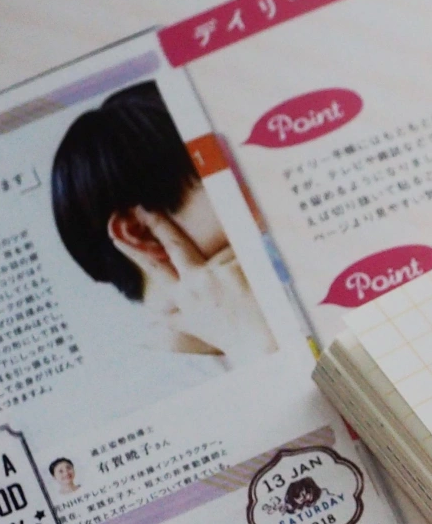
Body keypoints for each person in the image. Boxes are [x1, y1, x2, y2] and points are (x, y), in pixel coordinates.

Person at [51, 82, 274, 363]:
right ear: (141, 232)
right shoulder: (160, 380)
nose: (261, 184)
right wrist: (260, 348)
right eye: (224, 171)